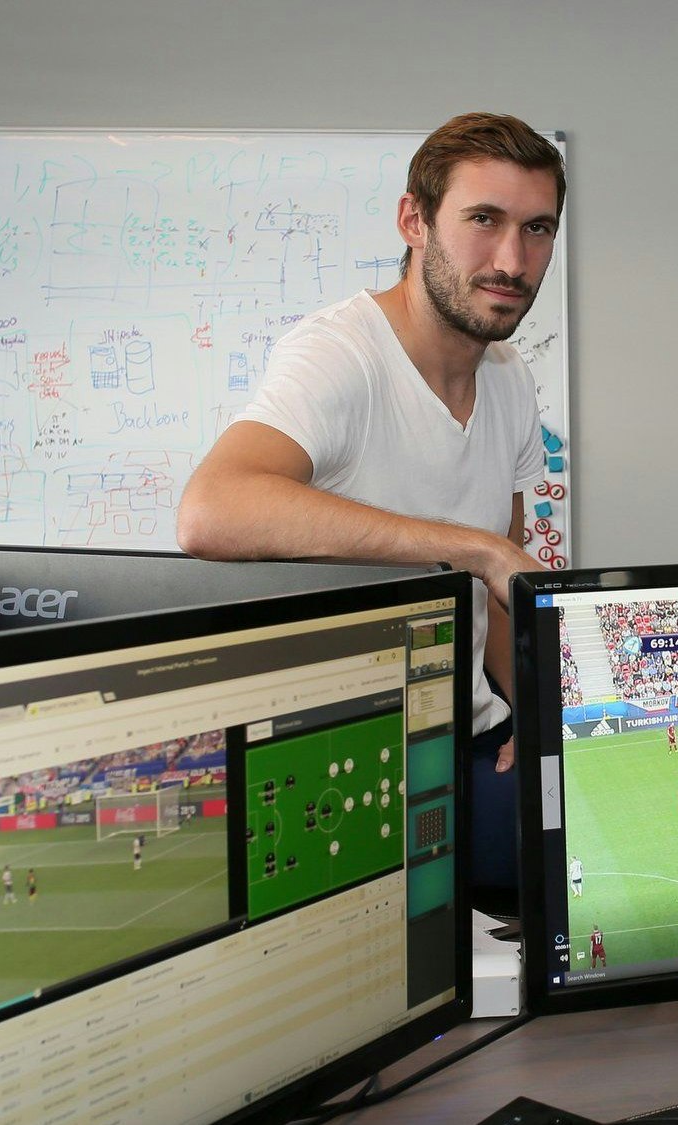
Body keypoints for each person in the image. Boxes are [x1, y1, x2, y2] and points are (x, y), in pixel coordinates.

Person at [177, 113, 566, 905]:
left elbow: (502, 605)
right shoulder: (341, 353)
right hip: (354, 753)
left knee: (608, 850)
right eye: (483, 221)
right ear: (414, 220)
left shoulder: (510, 376)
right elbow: (209, 512)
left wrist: (538, 717)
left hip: (469, 730)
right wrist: (470, 547)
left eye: (537, 229)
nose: (512, 260)